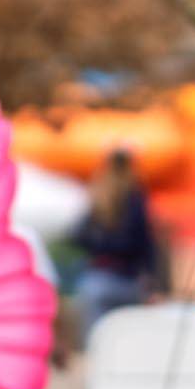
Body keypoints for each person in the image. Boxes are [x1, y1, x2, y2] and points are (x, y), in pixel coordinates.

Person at [70, 146, 160, 345]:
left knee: (97, 341)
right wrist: (152, 280)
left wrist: (100, 244)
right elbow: (146, 242)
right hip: (128, 279)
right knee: (125, 343)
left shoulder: (98, 193)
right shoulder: (135, 195)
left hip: (99, 277)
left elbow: (76, 235)